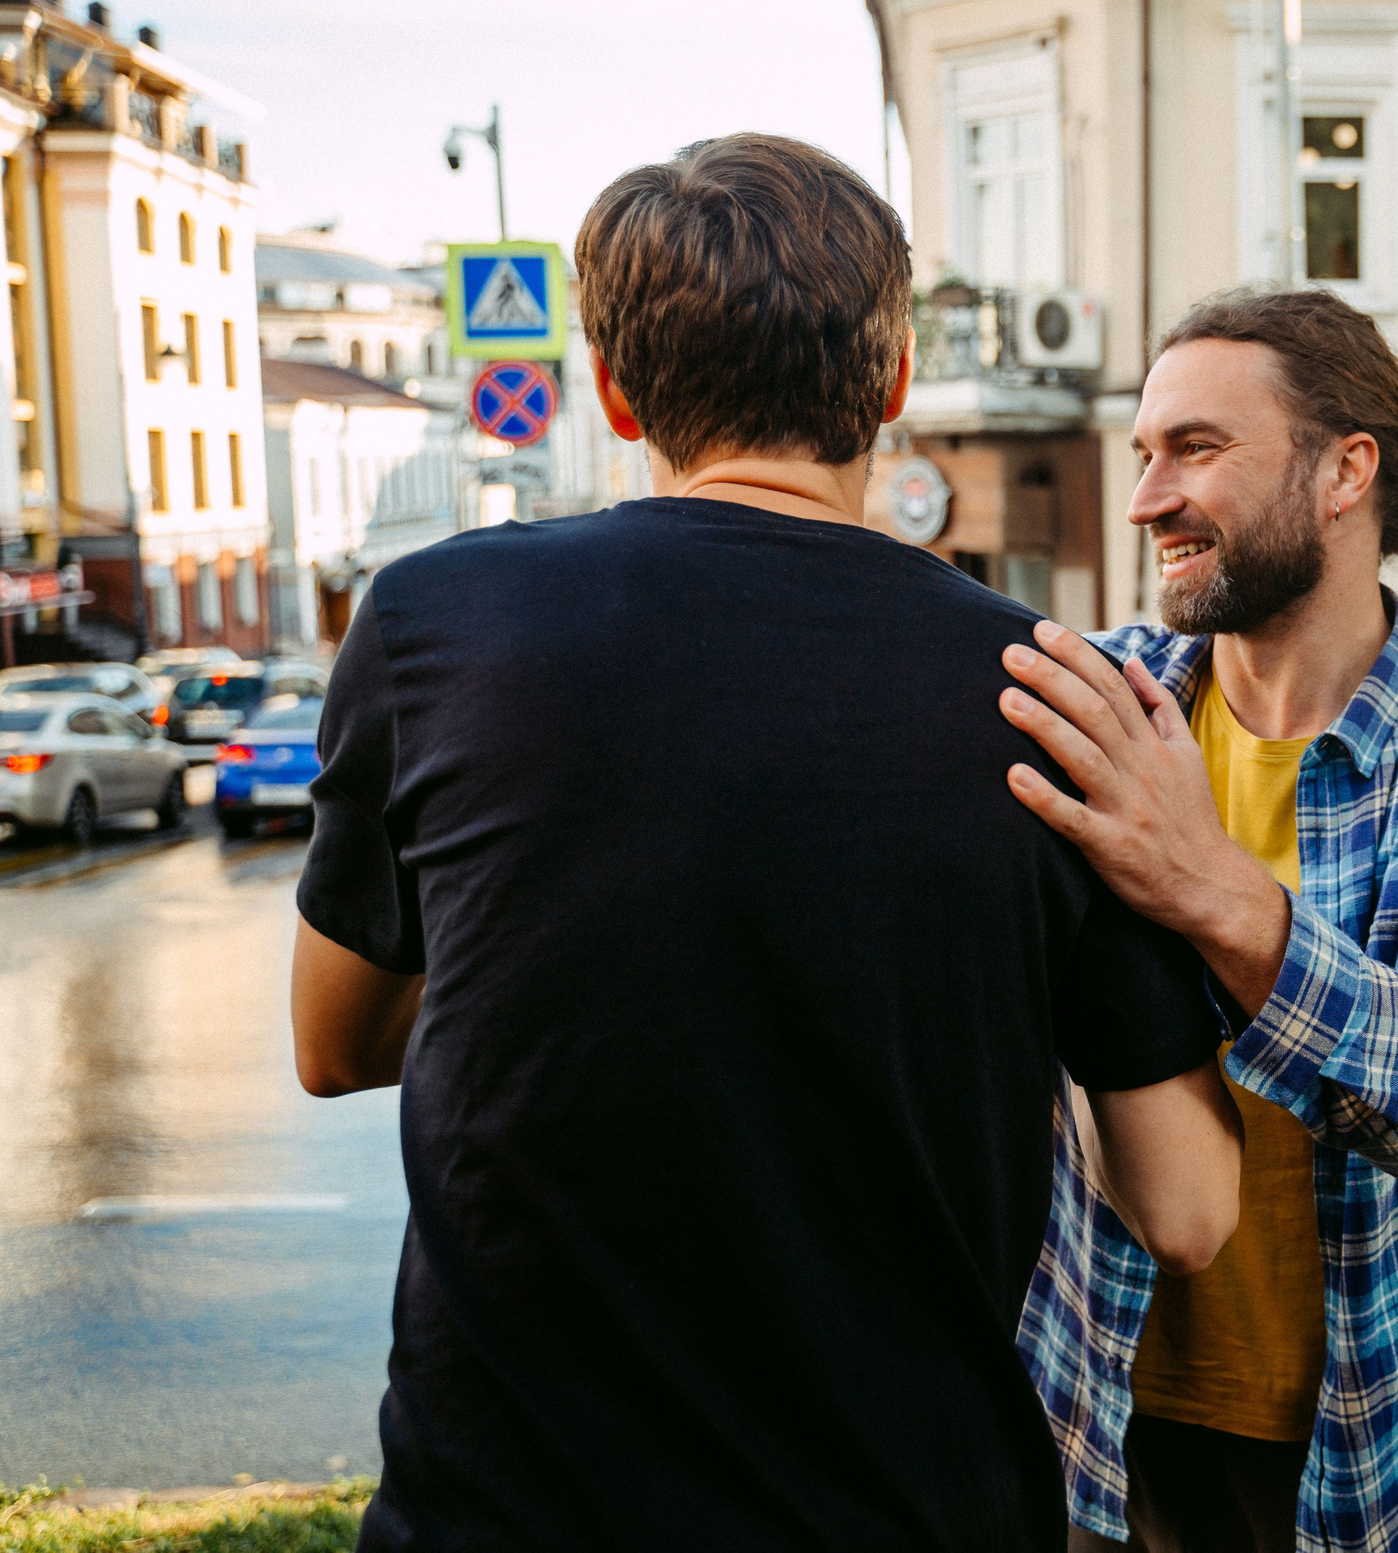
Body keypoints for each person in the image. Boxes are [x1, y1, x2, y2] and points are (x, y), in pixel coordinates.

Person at [289, 134, 1243, 1553]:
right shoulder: (1054, 691)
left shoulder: (434, 625)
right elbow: (1188, 1206)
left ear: (613, 389)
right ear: (895, 380)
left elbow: (334, 1045)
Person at [998, 288, 1398, 1553]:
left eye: (1196, 449)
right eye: (1145, 453)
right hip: (1091, 1444)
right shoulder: (1090, 707)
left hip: (1369, 1474)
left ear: (1344, 472)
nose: (1148, 497)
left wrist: (1208, 887)